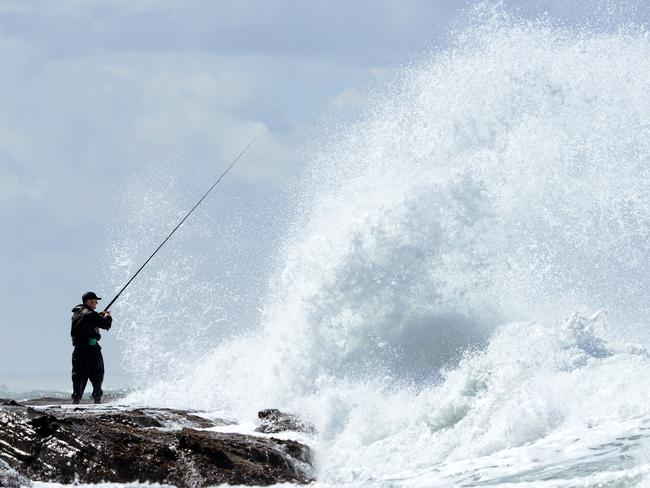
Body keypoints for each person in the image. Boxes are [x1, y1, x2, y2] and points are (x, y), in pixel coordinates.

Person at [70, 291, 112, 404]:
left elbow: (88, 323)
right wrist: (107, 316)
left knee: (78, 376)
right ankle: (97, 400)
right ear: (88, 301)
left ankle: (76, 399)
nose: (96, 303)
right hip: (91, 349)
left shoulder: (76, 314)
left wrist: (98, 316)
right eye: (95, 301)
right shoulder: (90, 314)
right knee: (97, 374)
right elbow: (106, 325)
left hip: (78, 350)